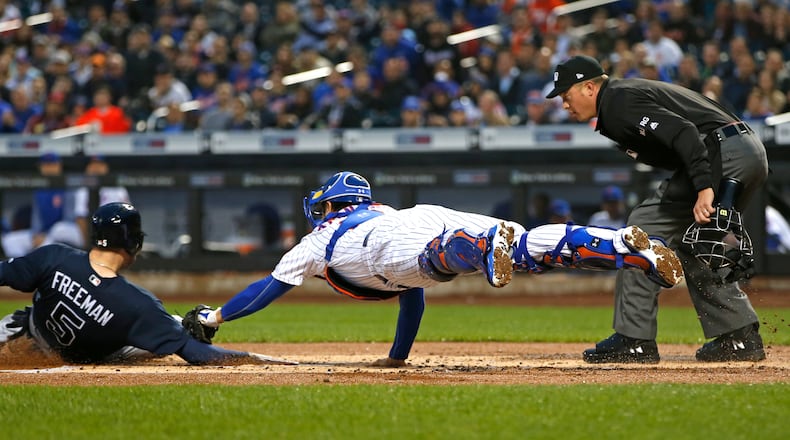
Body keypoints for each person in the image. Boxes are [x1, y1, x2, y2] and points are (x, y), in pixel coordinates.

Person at [188, 171, 683, 367]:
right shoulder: (381, 209)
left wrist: (215, 318)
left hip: (388, 245)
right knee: (531, 248)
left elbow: (265, 288)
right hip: (423, 217)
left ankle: (480, 246)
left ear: (327, 206)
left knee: (436, 259)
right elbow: (414, 295)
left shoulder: (319, 238)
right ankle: (624, 247)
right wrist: (398, 357)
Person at [546, 55, 769, 363]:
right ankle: (740, 336)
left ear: (588, 88)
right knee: (698, 244)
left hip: (723, 152)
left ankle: (634, 340)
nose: (564, 104)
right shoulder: (619, 101)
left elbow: (684, 133)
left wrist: (704, 188)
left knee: (642, 226)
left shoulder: (618, 100)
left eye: (565, 95)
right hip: (743, 151)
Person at [0, 202, 273, 366]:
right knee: (162, 332)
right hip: (89, 354)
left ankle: (175, 326)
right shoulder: (137, 304)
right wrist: (248, 357)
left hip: (22, 332)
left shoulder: (54, 256)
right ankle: (177, 325)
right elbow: (197, 353)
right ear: (134, 242)